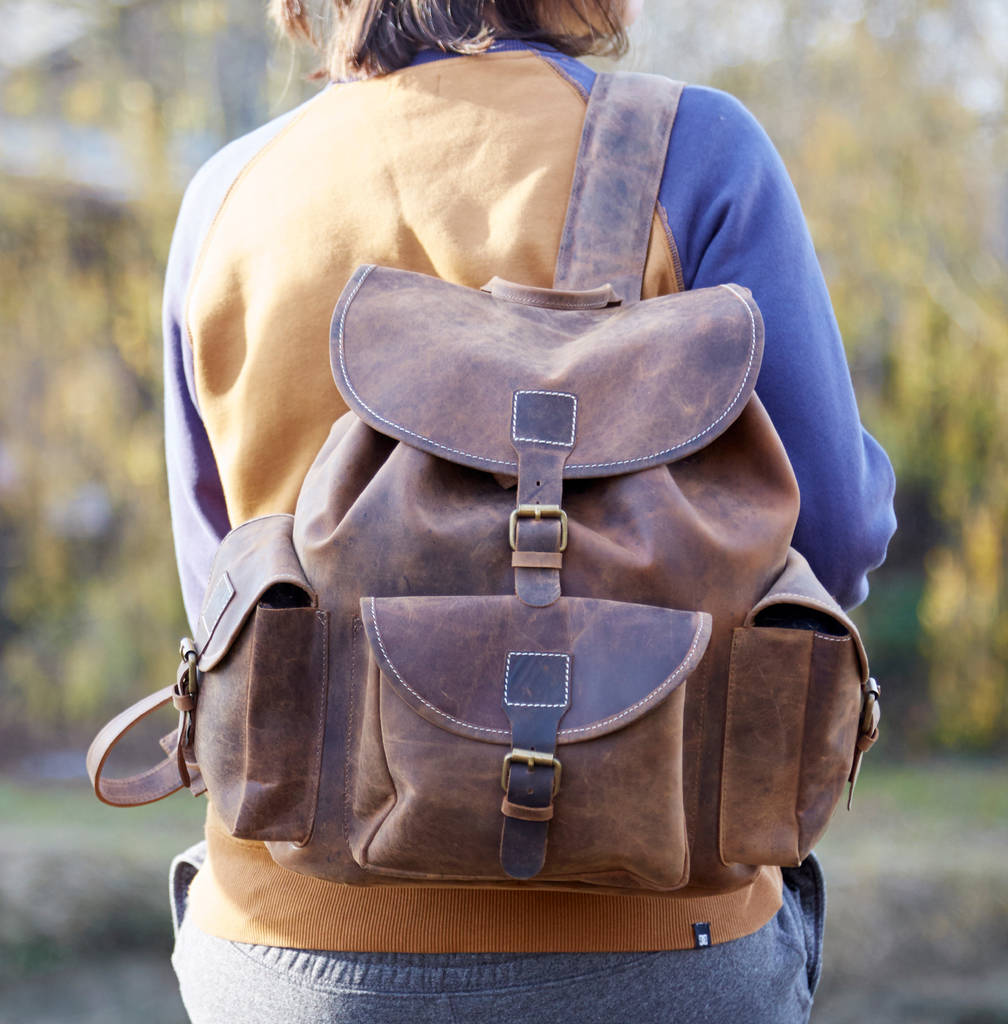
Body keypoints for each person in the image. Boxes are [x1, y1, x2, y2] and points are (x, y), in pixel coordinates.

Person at [162, 1, 896, 1020]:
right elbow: (835, 536)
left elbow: (222, 593)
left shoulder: (230, 191)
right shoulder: (697, 151)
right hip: (652, 943)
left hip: (290, 944)